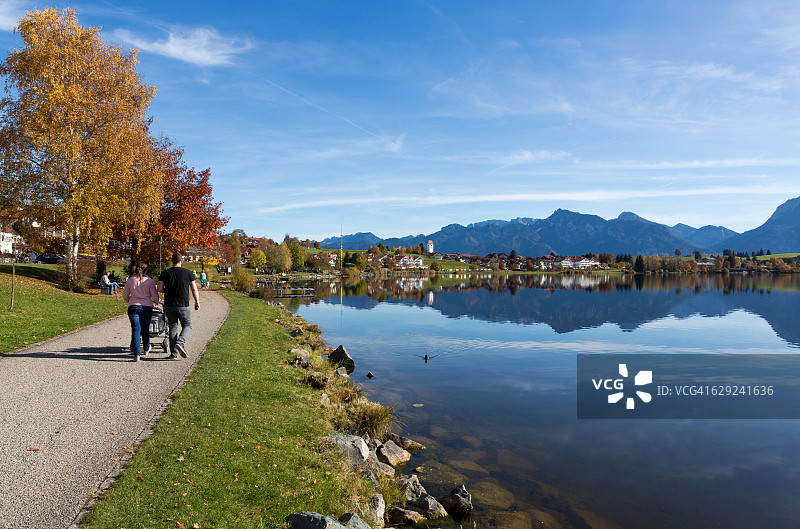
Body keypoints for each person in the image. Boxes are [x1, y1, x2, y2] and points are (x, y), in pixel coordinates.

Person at [158, 252, 200, 359]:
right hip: (183, 304)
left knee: (173, 327)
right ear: (181, 261)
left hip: (169, 304)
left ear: (171, 261)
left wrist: (167, 290)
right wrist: (197, 302)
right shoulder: (188, 273)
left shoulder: (165, 273)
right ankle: (180, 342)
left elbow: (159, 288)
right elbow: (194, 289)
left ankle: (173, 354)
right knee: (187, 325)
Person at [122, 262, 159, 362]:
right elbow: (155, 296)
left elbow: (125, 295)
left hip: (134, 306)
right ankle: (146, 347)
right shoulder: (150, 281)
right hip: (146, 307)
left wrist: (131, 301)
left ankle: (136, 353)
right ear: (146, 270)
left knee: (135, 329)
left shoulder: (130, 280)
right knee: (145, 328)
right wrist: (156, 302)